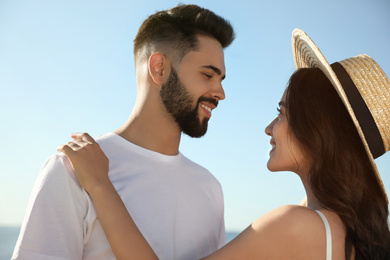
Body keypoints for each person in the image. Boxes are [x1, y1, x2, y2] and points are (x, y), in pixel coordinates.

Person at [58, 28, 390, 260]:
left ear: (318, 130)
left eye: (282, 113)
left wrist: (100, 184)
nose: (269, 128)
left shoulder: (297, 225)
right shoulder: (346, 230)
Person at [12, 4, 235, 260]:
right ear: (159, 68)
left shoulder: (210, 189)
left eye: (221, 80)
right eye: (208, 74)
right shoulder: (71, 169)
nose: (220, 93)